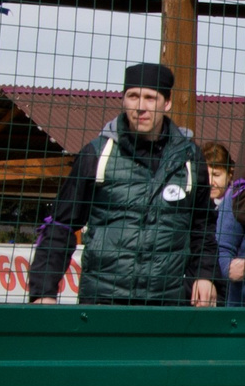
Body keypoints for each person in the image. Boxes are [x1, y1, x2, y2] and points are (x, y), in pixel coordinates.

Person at [27, 62, 218, 307]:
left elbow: (203, 227)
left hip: (167, 303)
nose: (141, 107)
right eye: (133, 96)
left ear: (167, 103)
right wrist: (44, 292)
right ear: (124, 100)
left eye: (150, 98)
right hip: (102, 301)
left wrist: (205, 274)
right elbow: (60, 226)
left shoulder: (190, 160)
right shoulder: (97, 154)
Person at [204, 142, 245, 307]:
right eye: (206, 174)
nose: (210, 182)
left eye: (216, 174)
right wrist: (229, 267)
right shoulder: (236, 197)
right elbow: (222, 249)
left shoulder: (231, 197)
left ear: (229, 174)